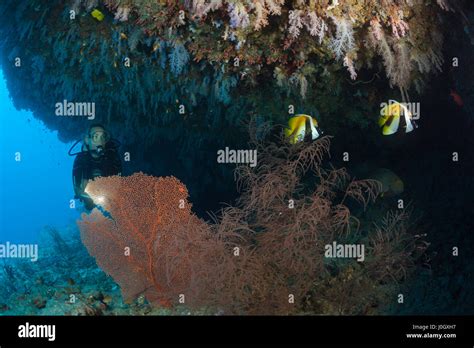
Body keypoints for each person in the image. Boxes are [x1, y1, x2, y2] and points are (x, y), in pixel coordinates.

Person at [72, 124, 122, 210]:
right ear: (87, 140)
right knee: (89, 206)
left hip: (108, 193)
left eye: (103, 137)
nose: (100, 141)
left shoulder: (111, 156)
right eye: (96, 137)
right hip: (89, 194)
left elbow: (118, 181)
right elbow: (77, 187)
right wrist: (84, 195)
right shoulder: (81, 159)